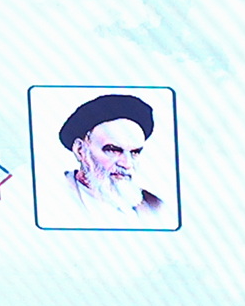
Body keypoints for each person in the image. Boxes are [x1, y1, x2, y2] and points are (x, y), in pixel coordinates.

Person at [56, 93, 166, 224]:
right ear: (80, 150)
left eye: (134, 152)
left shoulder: (154, 205)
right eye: (113, 150)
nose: (127, 164)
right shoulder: (53, 197)